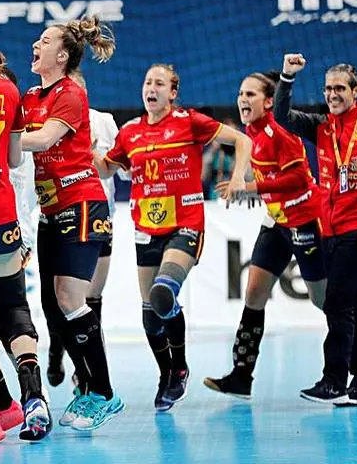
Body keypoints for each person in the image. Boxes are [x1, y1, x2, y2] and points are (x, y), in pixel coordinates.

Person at [95, 63, 252, 411]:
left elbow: (242, 140)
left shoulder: (189, 122)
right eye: (147, 82)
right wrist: (84, 151)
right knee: (150, 314)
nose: (151, 88)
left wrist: (239, 177)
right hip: (145, 227)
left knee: (163, 293)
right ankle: (166, 372)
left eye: (159, 83)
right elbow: (106, 167)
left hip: (186, 224)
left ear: (173, 92)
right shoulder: (130, 132)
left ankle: (179, 366)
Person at [275, 54, 357, 406]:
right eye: (328, 89)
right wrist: (287, 77)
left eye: (339, 89)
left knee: (335, 301)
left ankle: (334, 379)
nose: (332, 95)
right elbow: (281, 116)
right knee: (352, 303)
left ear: (356, 90)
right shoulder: (322, 127)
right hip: (329, 229)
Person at [19, 15, 123, 431]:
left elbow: (42, 139)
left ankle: (104, 393)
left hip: (81, 204)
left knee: (70, 299)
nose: (35, 45)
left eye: (45, 41)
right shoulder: (30, 96)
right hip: (50, 211)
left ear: (62, 55)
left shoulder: (71, 93)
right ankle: (88, 386)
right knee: (51, 307)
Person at [201, 71, 328, 399]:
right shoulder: (251, 131)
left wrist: (251, 187)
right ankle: (241, 377)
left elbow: (299, 179)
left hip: (304, 220)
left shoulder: (280, 130)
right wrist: (252, 190)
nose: (242, 99)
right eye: (240, 94)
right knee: (254, 293)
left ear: (269, 102)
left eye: (251, 94)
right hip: (276, 221)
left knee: (323, 300)